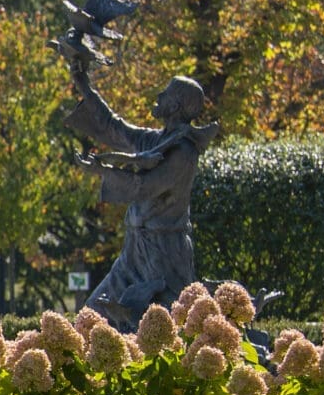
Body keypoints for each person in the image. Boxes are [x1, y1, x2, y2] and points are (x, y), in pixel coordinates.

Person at [64, 66, 219, 327]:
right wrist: (83, 84)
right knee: (91, 319)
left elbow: (144, 187)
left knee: (166, 329)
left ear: (177, 105)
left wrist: (101, 169)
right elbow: (114, 127)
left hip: (164, 255)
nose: (159, 96)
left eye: (166, 94)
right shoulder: (154, 140)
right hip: (135, 250)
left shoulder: (184, 152)